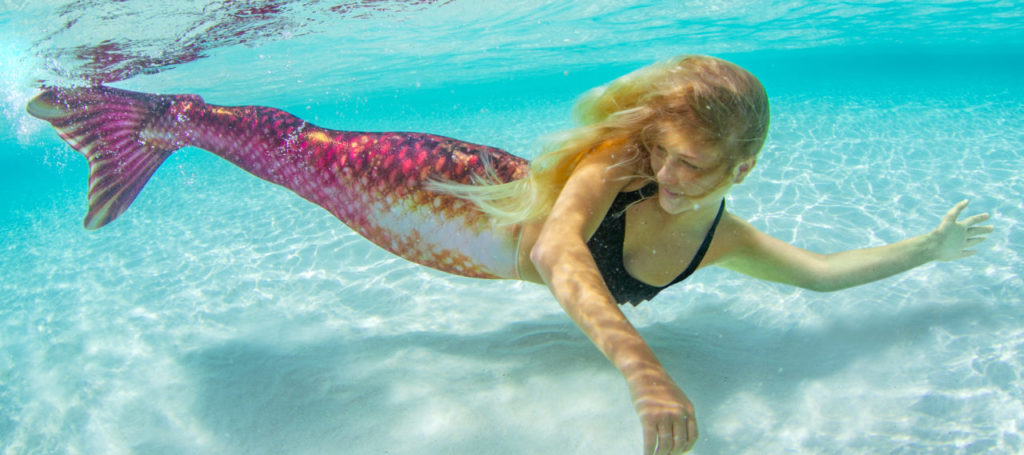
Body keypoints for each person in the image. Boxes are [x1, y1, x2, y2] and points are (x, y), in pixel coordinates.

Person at [27, 55, 992, 455]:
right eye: (670, 155)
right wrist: (643, 370)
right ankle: (133, 112)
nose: (676, 180)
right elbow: (563, 251)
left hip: (462, 245)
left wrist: (932, 249)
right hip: (450, 189)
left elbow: (822, 273)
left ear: (747, 163)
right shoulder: (615, 165)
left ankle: (142, 118)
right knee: (303, 152)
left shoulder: (717, 235)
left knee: (298, 159)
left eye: (704, 167)